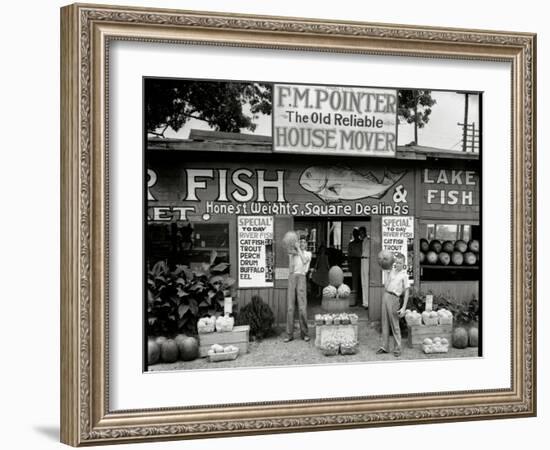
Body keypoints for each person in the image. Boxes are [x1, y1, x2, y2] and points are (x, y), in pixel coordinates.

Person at [377, 253, 410, 357]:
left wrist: (403, 307)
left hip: (395, 298)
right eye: (397, 263)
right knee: (385, 323)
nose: (398, 265)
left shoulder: (404, 275)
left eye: (400, 263)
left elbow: (407, 292)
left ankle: (397, 349)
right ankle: (385, 347)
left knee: (395, 324)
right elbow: (386, 283)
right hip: (386, 295)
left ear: (404, 264)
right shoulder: (391, 271)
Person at [285, 236, 312, 342]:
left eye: (304, 242)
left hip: (301, 277)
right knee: (290, 308)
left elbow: (305, 261)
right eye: (300, 242)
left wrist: (298, 249)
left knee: (302, 307)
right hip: (292, 277)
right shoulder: (293, 253)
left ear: (306, 244)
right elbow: (291, 268)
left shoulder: (307, 254)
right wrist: (292, 254)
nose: (302, 243)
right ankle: (289, 334)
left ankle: (304, 333)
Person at [347, 228, 363, 306]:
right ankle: (354, 299)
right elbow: (349, 255)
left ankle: (362, 298)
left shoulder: (362, 243)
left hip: (361, 260)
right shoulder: (351, 244)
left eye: (356, 234)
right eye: (354, 234)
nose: (355, 235)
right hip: (354, 261)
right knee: (355, 281)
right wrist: (350, 264)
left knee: (362, 279)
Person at [358, 226, 370, 309]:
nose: (360, 234)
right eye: (359, 233)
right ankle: (365, 302)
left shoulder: (369, 240)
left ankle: (367, 302)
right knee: (363, 281)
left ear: (364, 232)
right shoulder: (362, 241)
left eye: (361, 233)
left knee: (366, 281)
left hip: (367, 260)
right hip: (363, 260)